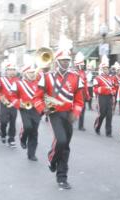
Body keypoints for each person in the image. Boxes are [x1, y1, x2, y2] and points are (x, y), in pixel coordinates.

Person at [33, 41, 84, 190]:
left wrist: (76, 113)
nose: (66, 63)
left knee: (66, 146)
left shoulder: (76, 77)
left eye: (68, 61)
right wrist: (44, 109)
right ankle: (51, 158)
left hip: (69, 114)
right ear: (57, 61)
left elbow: (80, 100)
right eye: (63, 60)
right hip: (55, 114)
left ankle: (62, 178)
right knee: (61, 140)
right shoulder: (47, 77)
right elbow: (37, 97)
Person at [14, 63, 41, 161]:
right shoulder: (18, 83)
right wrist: (18, 103)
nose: (32, 74)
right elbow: (12, 96)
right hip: (24, 108)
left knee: (34, 132)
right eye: (30, 72)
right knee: (28, 126)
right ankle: (22, 138)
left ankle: (31, 154)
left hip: (36, 109)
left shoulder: (39, 83)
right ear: (25, 73)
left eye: (33, 72)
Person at [0, 59, 19, 146]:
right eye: (10, 69)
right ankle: (3, 133)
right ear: (6, 71)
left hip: (14, 104)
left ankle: (11, 138)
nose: (12, 71)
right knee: (3, 121)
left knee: (13, 122)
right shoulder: (1, 80)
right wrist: (0, 97)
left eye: (13, 69)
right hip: (4, 103)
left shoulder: (18, 80)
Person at [93, 56, 116, 137]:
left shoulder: (111, 78)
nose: (106, 70)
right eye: (104, 68)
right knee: (102, 114)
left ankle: (108, 132)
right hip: (101, 98)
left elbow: (113, 87)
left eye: (107, 68)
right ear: (101, 69)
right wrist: (104, 89)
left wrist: (113, 91)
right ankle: (97, 127)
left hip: (109, 98)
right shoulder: (97, 78)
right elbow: (95, 89)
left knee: (109, 115)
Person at [74, 52, 90, 131]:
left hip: (82, 94)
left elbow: (85, 84)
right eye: (82, 64)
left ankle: (81, 125)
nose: (83, 66)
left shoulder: (83, 73)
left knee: (83, 110)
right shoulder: (74, 73)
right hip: (75, 94)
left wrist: (87, 94)